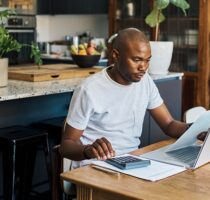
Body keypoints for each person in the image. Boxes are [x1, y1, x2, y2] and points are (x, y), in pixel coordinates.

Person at [60, 28, 201, 167]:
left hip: (132, 162)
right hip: (95, 166)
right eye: (137, 60)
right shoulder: (89, 89)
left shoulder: (145, 81)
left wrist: (198, 130)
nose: (143, 67)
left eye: (147, 60)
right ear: (116, 56)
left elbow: (169, 124)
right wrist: (88, 150)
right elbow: (66, 146)